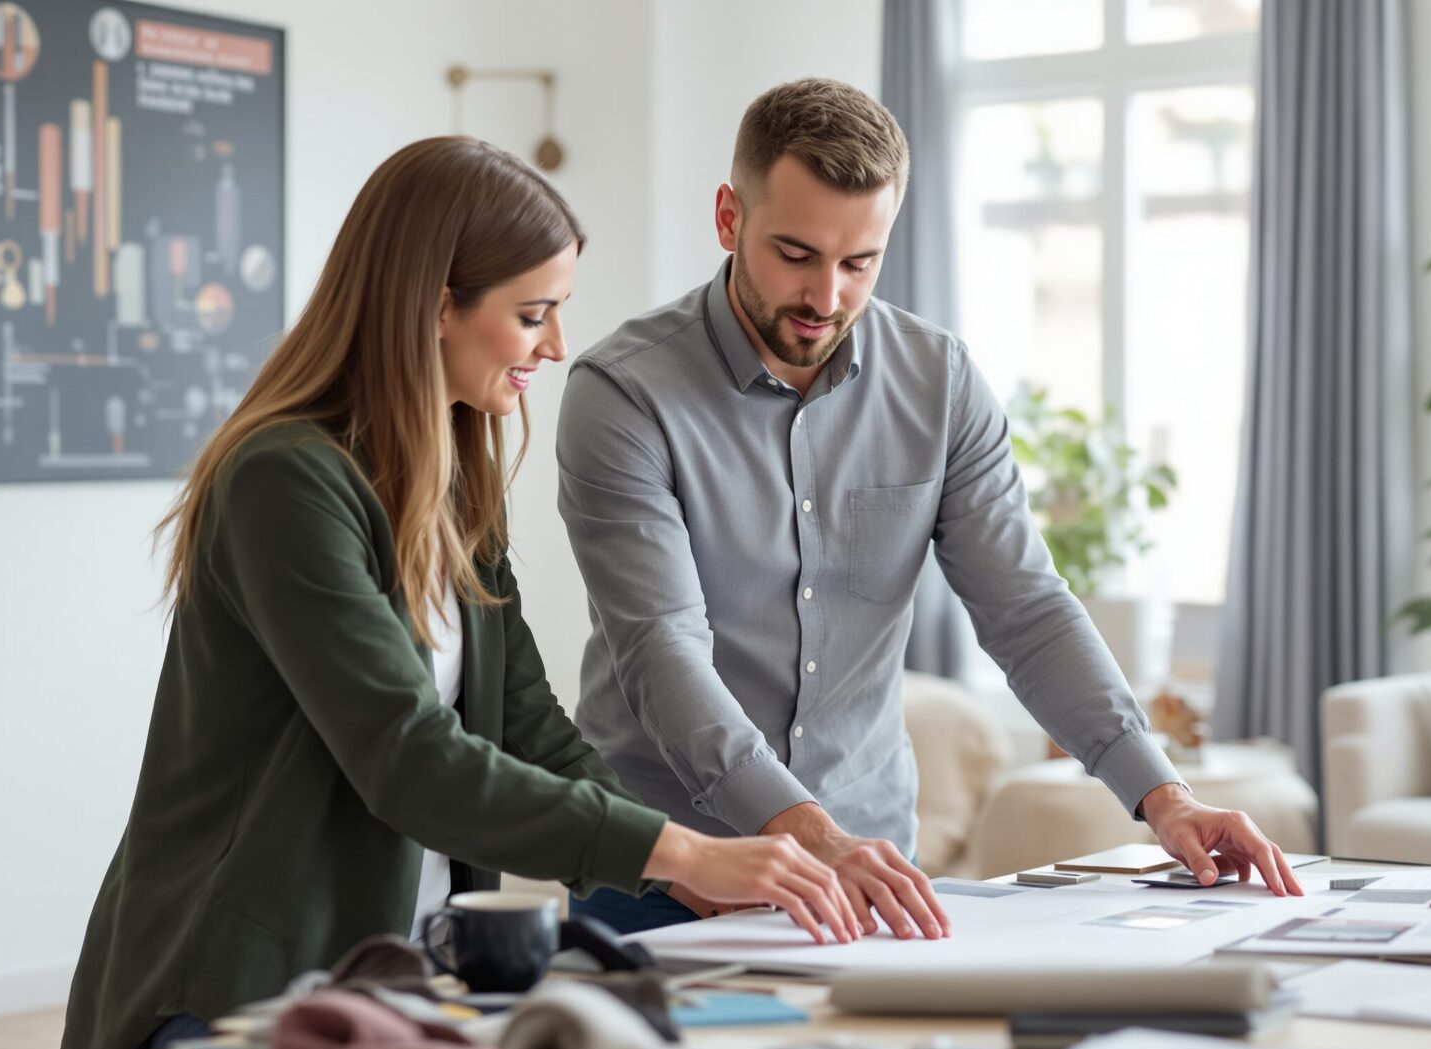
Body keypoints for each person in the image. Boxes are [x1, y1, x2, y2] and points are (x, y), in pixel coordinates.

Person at [59, 136, 857, 1049]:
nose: (556, 347)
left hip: (392, 988)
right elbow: (407, 758)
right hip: (229, 991)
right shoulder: (284, 481)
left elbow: (525, 724)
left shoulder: (449, 483)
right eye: (533, 315)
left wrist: (680, 880)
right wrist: (680, 852)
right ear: (438, 306)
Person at [557, 80, 1303, 938]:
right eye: (794, 254)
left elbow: (1025, 608)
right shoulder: (624, 395)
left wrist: (1163, 797)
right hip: (660, 871)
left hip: (866, 869)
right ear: (729, 218)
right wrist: (809, 836)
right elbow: (662, 652)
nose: (826, 297)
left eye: (858, 263)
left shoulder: (938, 383)